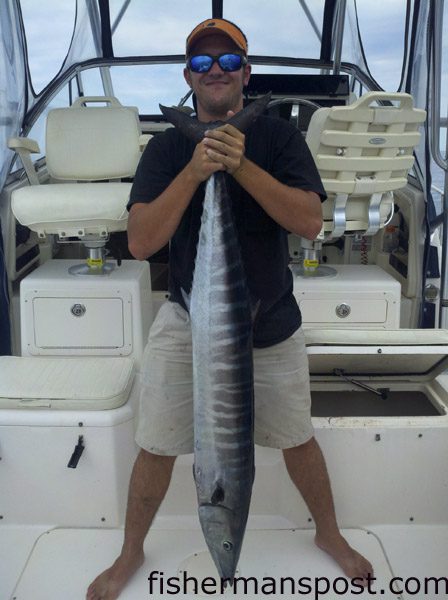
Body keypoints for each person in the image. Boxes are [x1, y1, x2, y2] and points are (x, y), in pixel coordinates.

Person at [87, 18, 373, 600]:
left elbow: (311, 222)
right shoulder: (170, 146)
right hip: (192, 316)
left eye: (226, 61)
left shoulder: (277, 140)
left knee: (297, 437)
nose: (213, 71)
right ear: (188, 77)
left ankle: (329, 535)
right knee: (157, 442)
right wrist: (197, 170)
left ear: (245, 73)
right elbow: (141, 242)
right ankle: (130, 551)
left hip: (269, 320)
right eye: (200, 63)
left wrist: (239, 165)